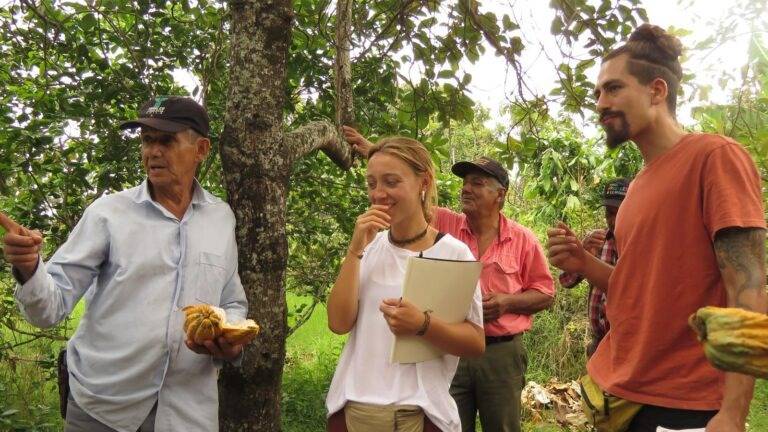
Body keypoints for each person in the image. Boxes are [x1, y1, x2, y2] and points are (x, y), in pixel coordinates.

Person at [547, 24, 766, 432]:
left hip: (685, 402)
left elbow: (747, 286)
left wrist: (733, 412)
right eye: (597, 93)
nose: (600, 103)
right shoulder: (638, 186)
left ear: (657, 91)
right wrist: (583, 261)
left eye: (613, 89)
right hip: (623, 394)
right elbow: (638, 286)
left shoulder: (714, 156)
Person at [1, 96, 253, 432]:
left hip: (187, 414)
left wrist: (229, 337)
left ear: (201, 149)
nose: (153, 151)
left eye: (166, 140)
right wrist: (29, 267)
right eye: (147, 140)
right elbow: (48, 309)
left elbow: (231, 302)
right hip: (102, 409)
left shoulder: (221, 218)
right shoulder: (108, 215)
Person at [344, 127, 555, 432]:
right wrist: (377, 153)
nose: (466, 189)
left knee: (503, 427)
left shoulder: (523, 240)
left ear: (500, 194)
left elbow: (546, 293)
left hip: (500, 353)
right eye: (465, 183)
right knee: (452, 422)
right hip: (446, 347)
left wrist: (508, 302)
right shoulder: (446, 223)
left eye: (477, 183)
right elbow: (408, 196)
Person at [325, 136, 485, 432]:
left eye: (391, 182)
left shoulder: (454, 253)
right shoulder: (367, 248)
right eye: (372, 184)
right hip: (354, 410)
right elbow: (338, 322)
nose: (379, 194)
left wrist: (423, 324)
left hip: (421, 414)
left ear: (423, 182)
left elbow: (475, 342)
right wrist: (354, 250)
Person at [558, 178, 629, 357]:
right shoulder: (597, 240)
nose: (612, 220)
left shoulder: (643, 244)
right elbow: (566, 281)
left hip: (628, 343)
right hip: (598, 342)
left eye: (618, 213)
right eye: (609, 213)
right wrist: (584, 252)